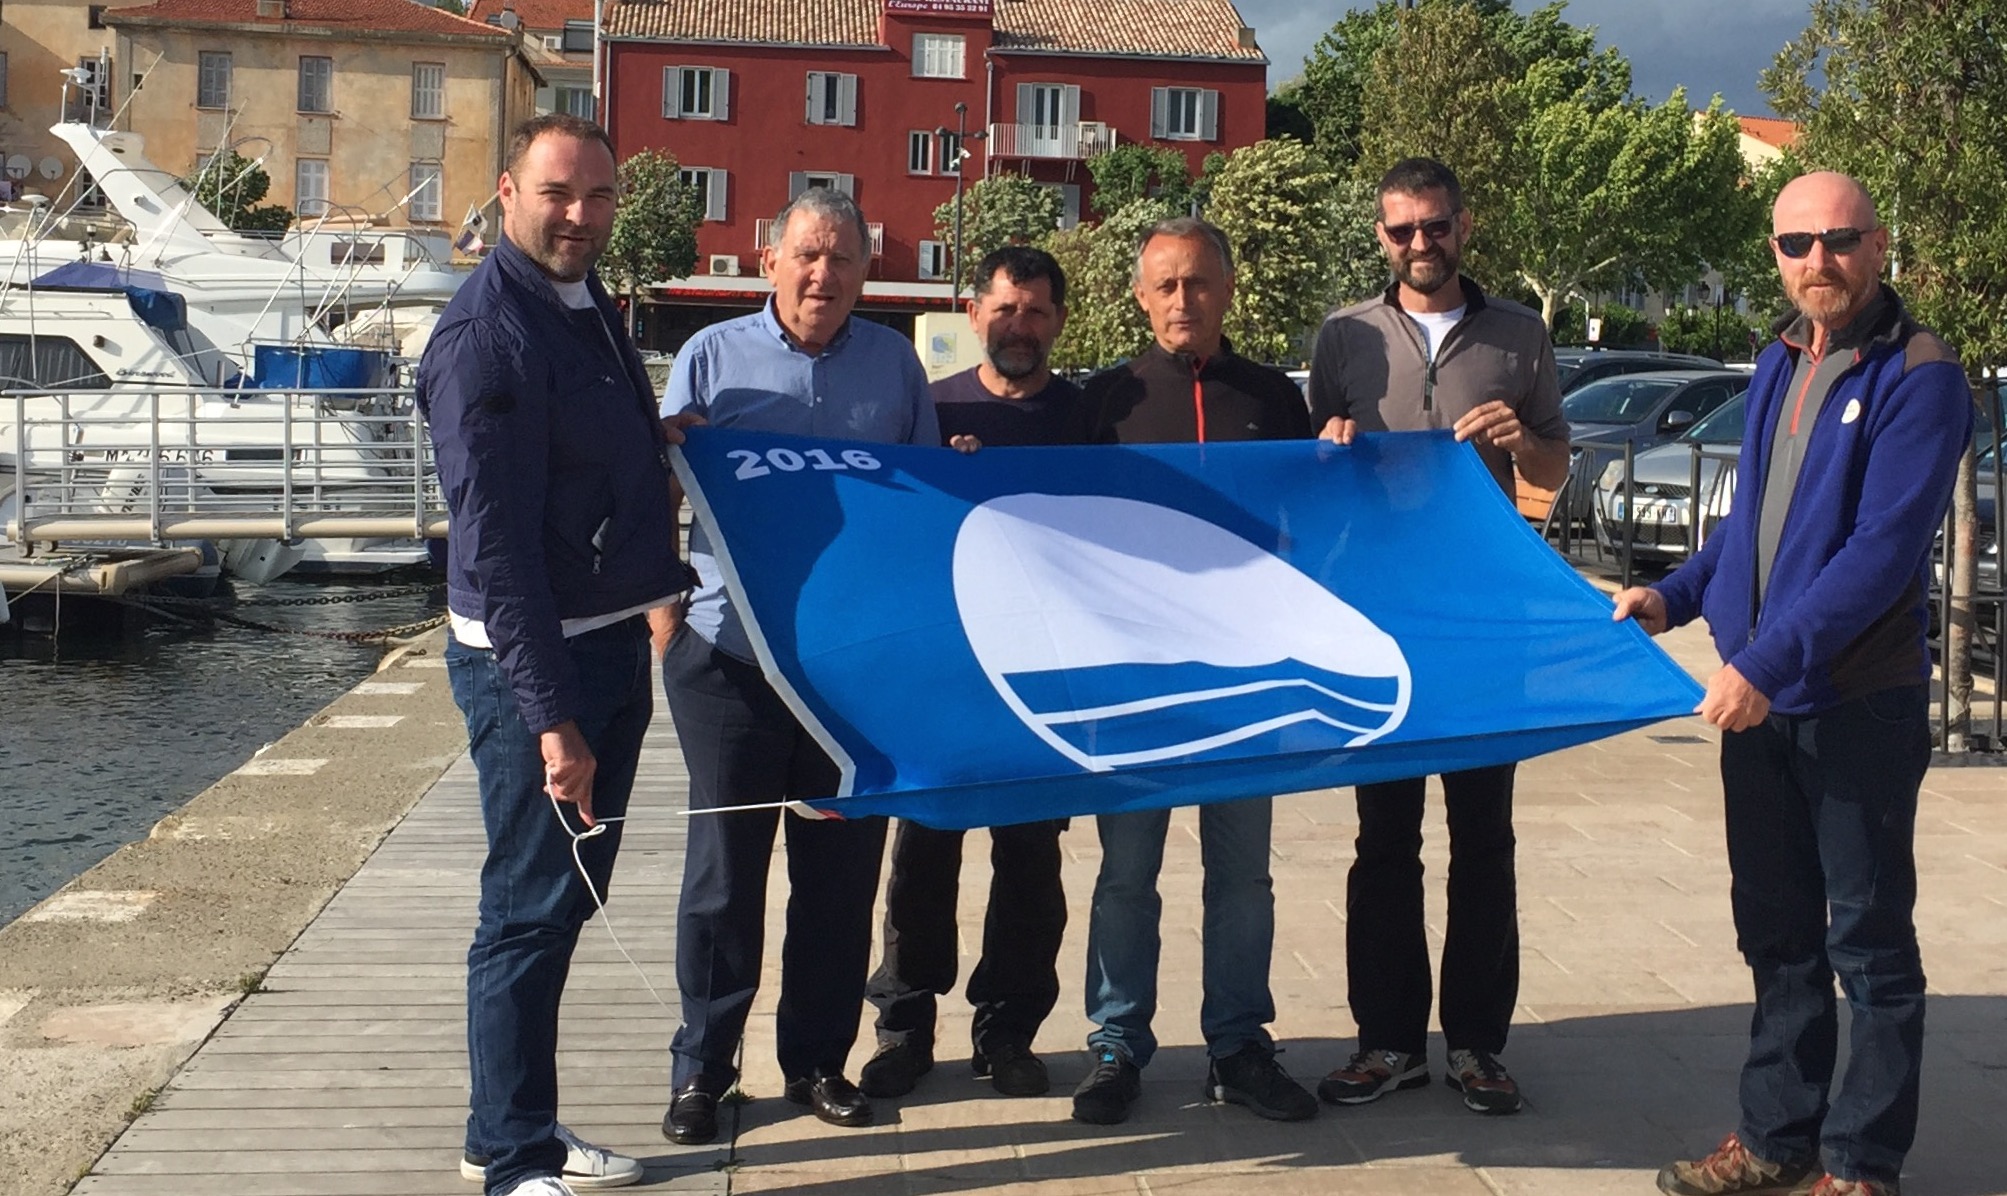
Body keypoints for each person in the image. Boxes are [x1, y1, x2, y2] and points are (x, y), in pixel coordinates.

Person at [1619, 172, 1969, 1196]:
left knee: (1865, 939)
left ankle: (1861, 1163)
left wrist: (1764, 663)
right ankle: (1776, 1137)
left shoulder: (1921, 372)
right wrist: (1675, 595)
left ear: (1879, 244)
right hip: (1761, 700)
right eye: (1796, 242)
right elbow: (1750, 520)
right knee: (1775, 931)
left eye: (1841, 238)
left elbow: (1881, 551)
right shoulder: (1779, 357)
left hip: (1855, 699)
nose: (1818, 259)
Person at [421, 113, 684, 1196]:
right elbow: (499, 553)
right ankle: (508, 1159)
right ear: (506, 193)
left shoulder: (585, 307)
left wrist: (668, 441)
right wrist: (551, 721)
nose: (580, 216)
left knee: (566, 897)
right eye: (558, 194)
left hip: (609, 640)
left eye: (598, 196)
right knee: (527, 908)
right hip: (537, 666)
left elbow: (599, 455)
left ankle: (514, 1117)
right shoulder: (487, 336)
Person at [655, 187, 939, 1146]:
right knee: (724, 879)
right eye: (807, 256)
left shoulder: (895, 368)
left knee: (837, 876)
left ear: (867, 268)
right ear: (766, 256)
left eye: (843, 259)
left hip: (847, 672)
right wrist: (664, 618)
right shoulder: (708, 359)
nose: (824, 276)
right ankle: (703, 1070)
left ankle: (816, 1061)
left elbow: (922, 510)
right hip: (727, 659)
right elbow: (656, 489)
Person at [1307, 156, 1569, 1117]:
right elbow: (1311, 472)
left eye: (1436, 226)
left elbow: (1553, 465)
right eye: (1401, 230)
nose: (1420, 243)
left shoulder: (1519, 335)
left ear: (1464, 226)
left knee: (1483, 839)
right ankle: (1384, 1041)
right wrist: (1327, 450)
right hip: (1381, 625)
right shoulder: (1343, 337)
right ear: (1380, 237)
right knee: (1383, 839)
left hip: (1484, 626)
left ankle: (1476, 1046)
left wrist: (1519, 445)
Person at [1069, 215, 1318, 1127]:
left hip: (1249, 676)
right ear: (1140, 297)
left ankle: (1238, 1046)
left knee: (1242, 877)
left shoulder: (1271, 401)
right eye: (1166, 285)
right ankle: (1115, 1044)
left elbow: (1318, 522)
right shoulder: (1103, 402)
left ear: (1227, 290)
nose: (1183, 300)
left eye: (1200, 283)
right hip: (1134, 680)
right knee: (1126, 876)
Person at [857, 246, 1088, 1103]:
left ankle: (1008, 1032)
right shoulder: (929, 410)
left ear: (1057, 321)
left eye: (1033, 311)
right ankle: (903, 1029)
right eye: (1002, 309)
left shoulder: (1085, 418)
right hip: (941, 675)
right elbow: (883, 529)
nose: (1017, 325)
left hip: (1049, 677)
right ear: (973, 314)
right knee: (922, 855)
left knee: (1031, 863)